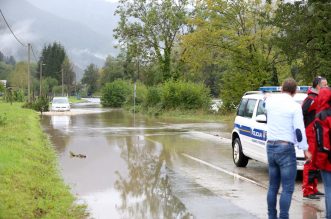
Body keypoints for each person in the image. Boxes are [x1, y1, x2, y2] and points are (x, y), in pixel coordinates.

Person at [265, 78, 312, 219]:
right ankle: (283, 216)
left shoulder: (270, 102)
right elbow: (299, 130)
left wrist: (266, 96)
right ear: (295, 91)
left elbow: (265, 100)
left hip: (270, 147)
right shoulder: (294, 106)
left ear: (281, 89)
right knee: (287, 188)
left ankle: (271, 216)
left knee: (273, 186)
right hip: (285, 147)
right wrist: (304, 148)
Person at [302, 76, 327, 199]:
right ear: (318, 85)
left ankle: (314, 188)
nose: (326, 87)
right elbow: (302, 114)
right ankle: (307, 191)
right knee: (310, 162)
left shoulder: (319, 97)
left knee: (316, 162)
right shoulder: (310, 99)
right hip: (310, 133)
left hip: (316, 133)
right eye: (324, 84)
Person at [312, 86, 331, 219]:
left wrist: (316, 160)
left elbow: (320, 142)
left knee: (329, 188)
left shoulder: (321, 117)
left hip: (327, 158)